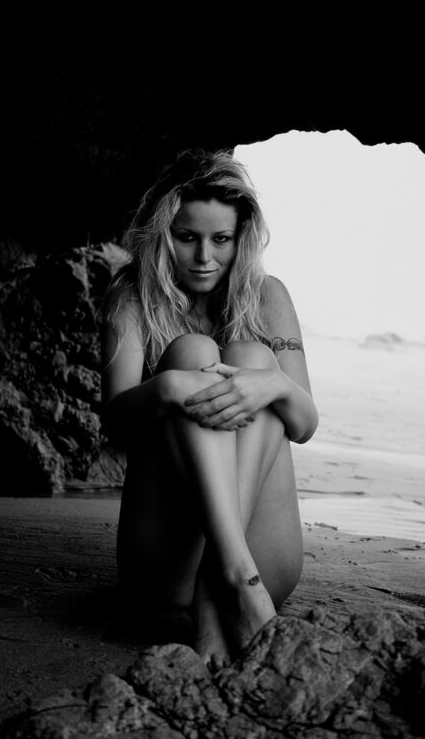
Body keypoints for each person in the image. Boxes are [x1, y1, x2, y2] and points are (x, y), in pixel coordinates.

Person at [100, 148, 318, 666]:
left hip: (268, 562)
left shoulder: (268, 296)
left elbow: (305, 424)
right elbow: (115, 424)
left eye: (221, 239)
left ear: (241, 239)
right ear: (162, 235)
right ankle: (231, 576)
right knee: (192, 353)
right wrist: (169, 386)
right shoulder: (132, 296)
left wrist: (272, 386)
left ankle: (224, 577)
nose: (204, 256)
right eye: (187, 237)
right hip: (165, 568)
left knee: (255, 361)